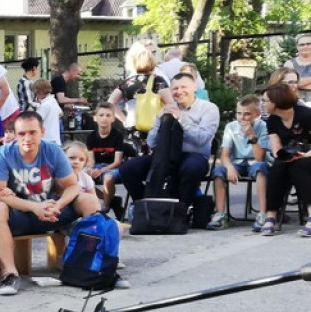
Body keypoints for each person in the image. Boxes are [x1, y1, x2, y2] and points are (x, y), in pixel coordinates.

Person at [0, 111, 101, 296]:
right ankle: (10, 274)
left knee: (89, 200)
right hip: (20, 215)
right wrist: (34, 207)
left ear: (42, 132)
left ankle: (90, 266)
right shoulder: (4, 153)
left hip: (52, 211)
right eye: (22, 134)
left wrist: (58, 205)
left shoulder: (52, 150)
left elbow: (72, 186)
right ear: (15, 135)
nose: (27, 138)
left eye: (32, 132)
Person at [118, 73, 219, 212]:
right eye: (175, 88)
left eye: (184, 87)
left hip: (194, 155)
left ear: (194, 87)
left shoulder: (209, 108)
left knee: (191, 168)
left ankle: (181, 211)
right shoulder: (166, 108)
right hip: (165, 155)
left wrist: (181, 119)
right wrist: (160, 119)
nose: (179, 91)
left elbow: (202, 139)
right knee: (127, 169)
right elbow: (152, 143)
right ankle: (146, 208)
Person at [206, 95, 271, 231]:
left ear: (257, 114)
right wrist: (229, 167)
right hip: (237, 162)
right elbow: (224, 155)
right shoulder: (231, 127)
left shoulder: (264, 127)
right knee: (218, 171)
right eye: (239, 113)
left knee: (261, 168)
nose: (242, 117)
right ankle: (220, 214)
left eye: (247, 114)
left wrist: (251, 135)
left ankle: (263, 213)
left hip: (255, 161)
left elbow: (260, 157)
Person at [257, 83, 311, 237]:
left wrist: (306, 154)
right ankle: (271, 216)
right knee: (279, 166)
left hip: (309, 155)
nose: (263, 103)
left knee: (300, 166)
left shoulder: (306, 115)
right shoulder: (273, 120)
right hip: (293, 157)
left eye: (265, 100)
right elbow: (276, 148)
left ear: (277, 101)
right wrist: (284, 155)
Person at [107, 43, 172, 133]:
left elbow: (111, 102)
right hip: (154, 126)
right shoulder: (158, 81)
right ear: (152, 63)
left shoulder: (128, 82)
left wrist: (124, 120)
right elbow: (170, 103)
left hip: (132, 125)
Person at [85, 102, 129, 215]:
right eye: (101, 115)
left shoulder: (117, 135)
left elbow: (117, 162)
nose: (104, 118)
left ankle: (105, 207)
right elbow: (91, 160)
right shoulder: (91, 137)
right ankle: (111, 200)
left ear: (113, 118)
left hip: (112, 167)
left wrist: (102, 171)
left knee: (108, 178)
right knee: (81, 177)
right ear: (95, 118)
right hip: (98, 166)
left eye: (108, 115)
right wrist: (90, 168)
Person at [282, 33, 311, 103]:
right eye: (302, 44)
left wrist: (298, 83)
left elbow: (295, 84)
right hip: (295, 100)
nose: (305, 46)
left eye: (308, 44)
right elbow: (287, 85)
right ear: (297, 47)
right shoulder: (289, 64)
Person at [31, 79, 62, 144]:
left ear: (40, 92)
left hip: (46, 138)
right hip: (55, 138)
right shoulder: (53, 101)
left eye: (36, 93)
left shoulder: (45, 105)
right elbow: (61, 113)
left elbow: (36, 119)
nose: (36, 95)